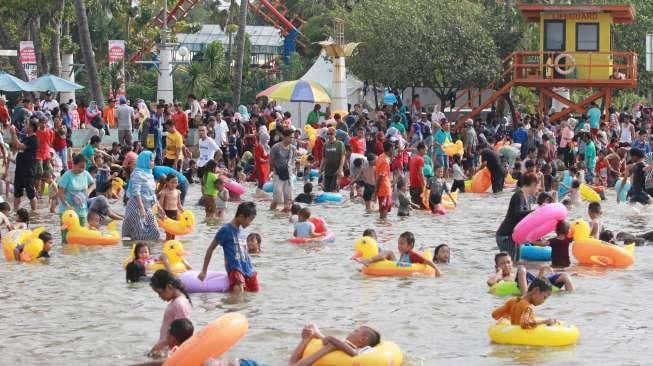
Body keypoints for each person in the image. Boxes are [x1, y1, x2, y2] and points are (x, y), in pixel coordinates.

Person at [198, 202, 259, 294]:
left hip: (248, 269)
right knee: (237, 300)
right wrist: (204, 271)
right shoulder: (226, 230)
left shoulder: (241, 231)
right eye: (250, 220)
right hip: (235, 270)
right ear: (242, 216)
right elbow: (211, 248)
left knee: (254, 296)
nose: (250, 223)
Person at [289, 323, 381, 366]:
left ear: (362, 339)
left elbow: (354, 353)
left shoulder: (363, 350)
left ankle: (315, 335)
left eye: (355, 331)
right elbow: (329, 340)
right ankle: (308, 337)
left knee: (331, 344)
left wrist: (332, 342)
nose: (351, 332)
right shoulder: (344, 343)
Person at [149, 270, 192, 357]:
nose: (159, 296)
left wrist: (161, 345)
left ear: (169, 287)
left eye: (159, 292)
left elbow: (182, 334)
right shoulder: (177, 301)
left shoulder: (180, 304)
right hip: (165, 349)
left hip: (168, 351)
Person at [356, 231, 441, 276]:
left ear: (410, 245)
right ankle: (369, 263)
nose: (399, 246)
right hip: (399, 268)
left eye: (402, 244)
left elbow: (428, 262)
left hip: (407, 271)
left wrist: (437, 270)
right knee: (388, 254)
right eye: (398, 243)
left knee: (389, 252)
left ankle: (369, 261)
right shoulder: (403, 253)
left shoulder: (413, 255)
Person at [495, 173, 538, 260]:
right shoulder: (518, 195)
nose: (538, 188)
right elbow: (518, 213)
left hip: (514, 236)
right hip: (506, 236)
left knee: (516, 263)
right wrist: (535, 211)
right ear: (533, 184)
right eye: (538, 186)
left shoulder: (528, 198)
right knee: (511, 264)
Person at [122, 151, 163, 241]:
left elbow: (152, 193)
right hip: (136, 208)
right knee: (139, 237)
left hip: (148, 207)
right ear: (144, 161)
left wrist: (159, 207)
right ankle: (137, 253)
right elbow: (136, 192)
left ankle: (151, 253)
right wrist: (141, 209)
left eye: (153, 160)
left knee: (155, 233)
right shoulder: (137, 174)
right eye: (151, 161)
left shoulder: (149, 174)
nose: (153, 163)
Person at [487, 252, 574, 293]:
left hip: (535, 284)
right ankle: (525, 296)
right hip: (528, 289)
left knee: (564, 276)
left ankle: (571, 297)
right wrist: (499, 272)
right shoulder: (500, 277)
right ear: (497, 266)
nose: (506, 265)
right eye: (502, 263)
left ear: (512, 263)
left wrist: (542, 270)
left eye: (508, 262)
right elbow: (490, 283)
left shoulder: (518, 274)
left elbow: (536, 282)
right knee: (521, 268)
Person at [57, 154, 95, 243]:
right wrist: (67, 205)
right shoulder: (67, 176)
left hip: (81, 209)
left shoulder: (85, 174)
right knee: (66, 238)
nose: (82, 169)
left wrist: (89, 191)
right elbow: (60, 193)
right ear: (74, 165)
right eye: (80, 167)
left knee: (81, 236)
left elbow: (93, 184)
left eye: (84, 167)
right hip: (67, 211)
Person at [491, 278, 556, 329]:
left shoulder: (513, 301)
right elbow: (525, 323)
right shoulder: (527, 307)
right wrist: (544, 321)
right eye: (544, 297)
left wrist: (509, 316)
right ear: (536, 290)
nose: (543, 301)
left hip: (513, 336)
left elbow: (495, 314)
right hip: (522, 339)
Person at [12, 119, 38, 211]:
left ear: (31, 127)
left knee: (31, 193)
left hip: (28, 170)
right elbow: (15, 145)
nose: (24, 126)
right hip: (19, 169)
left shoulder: (33, 139)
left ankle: (34, 213)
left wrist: (14, 133)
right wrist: (13, 134)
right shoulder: (26, 138)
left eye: (26, 124)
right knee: (17, 192)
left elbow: (19, 146)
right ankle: (16, 212)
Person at [269, 129, 296, 212]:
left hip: (288, 175)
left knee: (288, 197)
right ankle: (271, 211)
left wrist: (293, 171)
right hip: (278, 175)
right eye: (290, 137)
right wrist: (274, 170)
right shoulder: (276, 147)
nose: (292, 139)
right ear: (284, 136)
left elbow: (293, 161)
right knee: (276, 197)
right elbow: (271, 160)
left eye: (293, 137)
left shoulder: (293, 148)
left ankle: (285, 216)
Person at [158, 173, 184, 240]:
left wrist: (184, 212)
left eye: (176, 183)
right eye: (172, 182)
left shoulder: (177, 192)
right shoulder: (164, 192)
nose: (174, 184)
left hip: (175, 213)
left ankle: (172, 248)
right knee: (169, 234)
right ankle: (166, 246)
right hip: (167, 214)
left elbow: (179, 204)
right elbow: (160, 204)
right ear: (167, 182)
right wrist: (162, 214)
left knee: (174, 234)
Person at [320, 127, 345, 193]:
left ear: (335, 134)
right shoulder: (325, 144)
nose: (329, 135)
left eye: (331, 134)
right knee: (326, 190)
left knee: (333, 189)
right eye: (328, 134)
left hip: (336, 170)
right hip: (327, 170)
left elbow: (342, 157)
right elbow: (324, 157)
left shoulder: (340, 144)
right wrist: (320, 168)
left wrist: (340, 169)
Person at [375, 141, 393, 219]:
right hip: (384, 190)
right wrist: (376, 191)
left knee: (382, 214)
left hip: (383, 190)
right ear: (390, 149)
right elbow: (380, 177)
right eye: (393, 148)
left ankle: (380, 229)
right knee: (384, 216)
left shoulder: (380, 157)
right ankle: (383, 230)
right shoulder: (385, 161)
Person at [408, 142, 426, 208]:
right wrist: (424, 185)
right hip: (418, 186)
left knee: (414, 206)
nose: (426, 151)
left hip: (412, 185)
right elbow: (421, 173)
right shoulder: (420, 159)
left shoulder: (412, 159)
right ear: (421, 149)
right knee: (421, 207)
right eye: (425, 149)